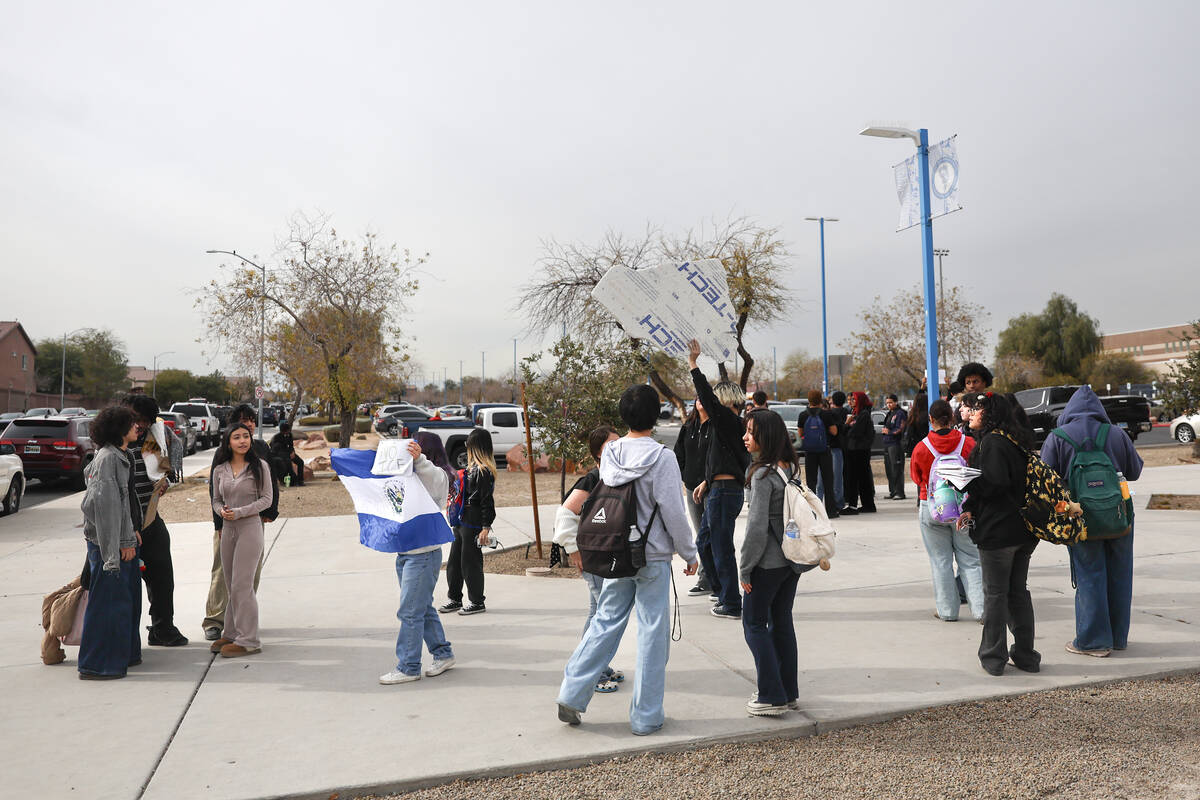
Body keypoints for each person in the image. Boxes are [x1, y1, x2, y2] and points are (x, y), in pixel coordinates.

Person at [556, 384, 698, 735]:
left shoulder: (611, 454)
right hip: (651, 556)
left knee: (605, 621)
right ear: (656, 415)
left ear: (624, 416)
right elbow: (673, 512)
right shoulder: (663, 458)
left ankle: (572, 693)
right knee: (652, 632)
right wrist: (690, 552)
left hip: (615, 550)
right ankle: (646, 716)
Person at [1040, 386, 1143, 657]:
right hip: (1120, 516)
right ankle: (1118, 637)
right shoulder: (1117, 434)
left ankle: (1095, 642)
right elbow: (1135, 471)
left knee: (1090, 575)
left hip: (1079, 517)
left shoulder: (1057, 437)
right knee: (1120, 576)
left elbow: (1046, 481)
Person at [959, 392, 1040, 676]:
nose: (971, 413)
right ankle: (1026, 656)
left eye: (977, 409)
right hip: (1022, 531)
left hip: (998, 533)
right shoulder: (1014, 440)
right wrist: (970, 506)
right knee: (1018, 593)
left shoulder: (992, 442)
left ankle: (993, 658)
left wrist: (963, 484)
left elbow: (993, 485)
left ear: (990, 413)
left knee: (995, 595)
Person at [739, 409, 812, 716]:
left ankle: (771, 695)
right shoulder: (788, 468)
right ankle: (788, 691)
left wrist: (744, 567)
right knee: (781, 621)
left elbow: (756, 528)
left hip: (767, 564)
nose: (745, 437)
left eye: (751, 432)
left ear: (765, 437)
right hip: (791, 562)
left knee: (754, 624)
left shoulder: (761, 475)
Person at [379, 434, 457, 684]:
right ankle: (443, 653)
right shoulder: (408, 476)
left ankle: (409, 666)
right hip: (406, 553)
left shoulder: (437, 475)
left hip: (423, 555)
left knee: (410, 611)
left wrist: (419, 458)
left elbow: (435, 479)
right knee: (421, 608)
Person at [553, 426, 624, 693]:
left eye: (620, 443)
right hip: (595, 559)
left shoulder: (612, 476)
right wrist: (574, 550)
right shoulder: (593, 479)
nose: (618, 448)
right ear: (597, 452)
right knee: (600, 617)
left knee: (598, 613)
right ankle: (589, 673)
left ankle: (599, 667)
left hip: (607, 559)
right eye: (611, 445)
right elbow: (564, 516)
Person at [202, 404, 279, 640]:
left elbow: (270, 484)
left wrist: (270, 511)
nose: (249, 426)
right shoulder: (222, 455)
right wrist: (219, 524)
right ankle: (215, 620)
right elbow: (215, 493)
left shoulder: (261, 449)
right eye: (244, 421)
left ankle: (243, 621)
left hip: (252, 520)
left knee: (248, 574)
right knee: (223, 573)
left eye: (252, 421)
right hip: (228, 524)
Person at [687, 339, 751, 620]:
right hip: (720, 489)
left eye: (715, 399)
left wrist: (693, 365)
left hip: (725, 493)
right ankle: (722, 591)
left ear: (726, 402)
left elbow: (707, 398)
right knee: (705, 544)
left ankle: (731, 602)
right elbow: (725, 462)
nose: (708, 403)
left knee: (720, 547)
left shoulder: (729, 421)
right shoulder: (726, 427)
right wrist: (706, 481)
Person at [78, 406, 142, 679]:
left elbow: (124, 503)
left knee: (124, 603)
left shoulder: (121, 455)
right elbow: (106, 508)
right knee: (108, 606)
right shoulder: (108, 459)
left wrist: (132, 532)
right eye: (131, 423)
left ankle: (124, 655)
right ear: (119, 429)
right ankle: (97, 664)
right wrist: (117, 548)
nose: (137, 427)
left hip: (120, 539)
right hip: (110, 544)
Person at [120, 394, 186, 647]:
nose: (140, 425)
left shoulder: (153, 439)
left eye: (145, 421)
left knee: (162, 578)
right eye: (136, 419)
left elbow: (169, 459)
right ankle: (122, 637)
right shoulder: (112, 445)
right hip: (122, 526)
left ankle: (162, 628)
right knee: (121, 586)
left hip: (150, 520)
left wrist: (166, 481)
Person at [910, 399, 985, 622]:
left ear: (931, 420)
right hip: (964, 509)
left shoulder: (921, 447)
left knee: (940, 561)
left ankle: (947, 611)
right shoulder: (968, 443)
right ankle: (980, 610)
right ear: (952, 418)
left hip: (932, 509)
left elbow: (917, 478)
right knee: (971, 560)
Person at [439, 428, 495, 616]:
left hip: (474, 521)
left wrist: (486, 527)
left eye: (468, 444)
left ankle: (477, 601)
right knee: (454, 562)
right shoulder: (471, 470)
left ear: (474, 447)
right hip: (461, 521)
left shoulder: (484, 472)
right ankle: (454, 598)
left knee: (470, 563)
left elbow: (487, 501)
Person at [674, 399, 713, 597]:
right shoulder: (688, 427)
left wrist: (708, 479)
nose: (700, 400)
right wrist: (685, 475)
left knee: (713, 535)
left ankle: (717, 579)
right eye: (698, 397)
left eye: (703, 397)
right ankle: (705, 579)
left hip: (712, 488)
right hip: (691, 488)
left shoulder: (716, 426)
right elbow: (678, 454)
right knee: (701, 536)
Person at [799, 389, 839, 519]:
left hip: (810, 452)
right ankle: (831, 511)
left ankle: (812, 511)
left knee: (811, 482)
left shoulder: (803, 415)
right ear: (820, 399)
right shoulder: (826, 415)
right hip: (824, 450)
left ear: (809, 400)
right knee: (828, 480)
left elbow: (800, 434)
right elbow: (834, 431)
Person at [841, 392, 876, 515]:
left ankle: (853, 505)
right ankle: (868, 504)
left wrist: (847, 424)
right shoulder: (858, 413)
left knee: (854, 479)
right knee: (862, 479)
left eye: (854, 400)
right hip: (856, 449)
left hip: (859, 450)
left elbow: (854, 432)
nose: (852, 402)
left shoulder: (863, 414)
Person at [817, 390, 848, 513]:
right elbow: (836, 432)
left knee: (822, 479)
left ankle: (820, 503)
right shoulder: (833, 415)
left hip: (823, 449)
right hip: (834, 448)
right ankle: (837, 503)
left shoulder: (812, 416)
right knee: (836, 478)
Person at [882, 394, 908, 500]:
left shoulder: (900, 413)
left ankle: (899, 492)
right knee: (889, 469)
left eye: (891, 402)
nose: (889, 405)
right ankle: (892, 490)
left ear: (896, 402)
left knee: (896, 468)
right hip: (887, 443)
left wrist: (890, 432)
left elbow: (900, 428)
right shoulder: (889, 413)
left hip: (896, 444)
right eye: (887, 403)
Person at [268, 420, 305, 487]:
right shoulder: (276, 437)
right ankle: (294, 481)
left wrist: (292, 452)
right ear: (282, 431)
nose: (288, 432)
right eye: (287, 431)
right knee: (288, 464)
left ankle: (300, 480)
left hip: (289, 453)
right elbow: (273, 449)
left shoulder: (290, 435)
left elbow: (291, 445)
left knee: (300, 462)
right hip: (280, 455)